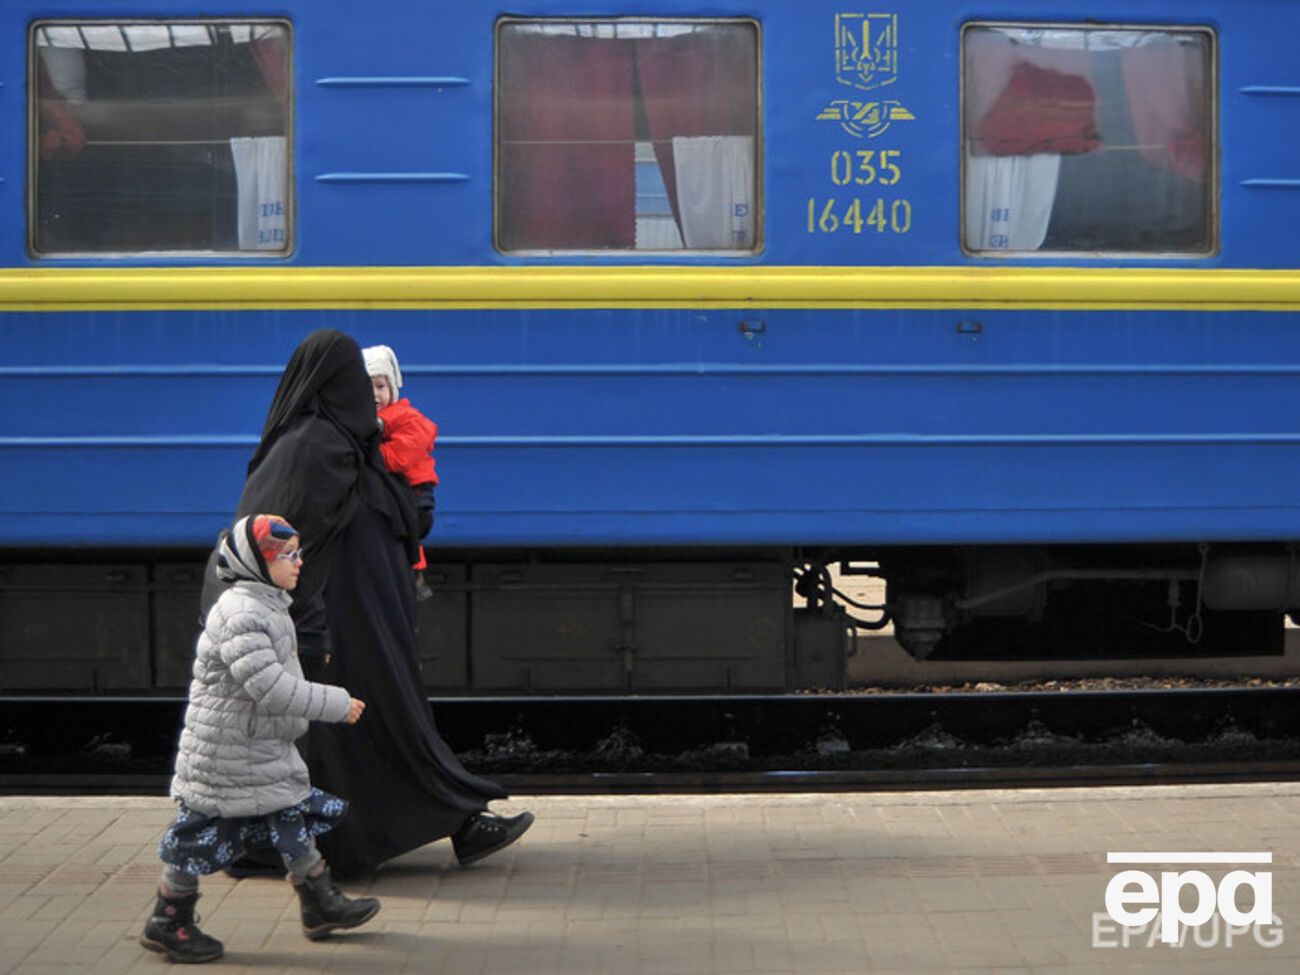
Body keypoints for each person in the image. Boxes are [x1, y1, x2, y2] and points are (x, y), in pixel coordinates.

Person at [203, 329, 532, 879]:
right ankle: (436, 828)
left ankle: (441, 826)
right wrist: (310, 631)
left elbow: (398, 517)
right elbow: (278, 543)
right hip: (339, 630)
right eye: (355, 381)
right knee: (375, 730)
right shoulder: (312, 449)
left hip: (362, 624)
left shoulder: (340, 444)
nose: (365, 393)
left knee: (367, 733)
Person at [142, 515, 380, 964]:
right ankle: (168, 919)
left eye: (297, 553)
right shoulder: (242, 614)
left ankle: (319, 902)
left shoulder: (266, 604)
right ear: (255, 564)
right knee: (197, 832)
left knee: (290, 814)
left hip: (256, 746)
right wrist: (335, 703)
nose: (299, 561)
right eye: (286, 556)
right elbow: (269, 688)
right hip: (225, 753)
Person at [363, 344, 437, 600]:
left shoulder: (406, 418)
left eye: (380, 386)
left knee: (407, 531)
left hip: (416, 491)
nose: (374, 394)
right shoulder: (371, 422)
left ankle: (414, 577)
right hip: (401, 491)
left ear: (392, 388)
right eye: (367, 387)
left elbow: (398, 458)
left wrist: (373, 453)